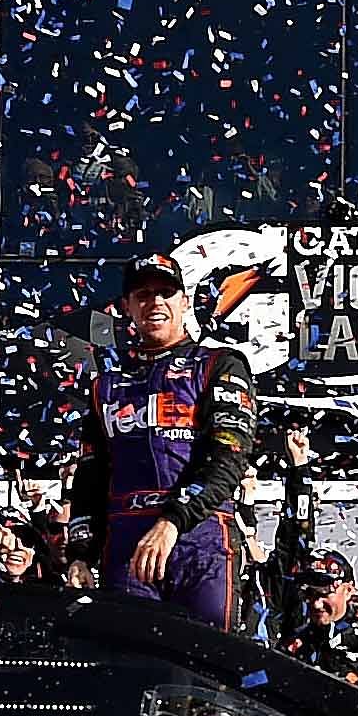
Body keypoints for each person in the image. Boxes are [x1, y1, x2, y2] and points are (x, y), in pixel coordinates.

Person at [68, 254, 260, 627]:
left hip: (201, 538)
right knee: (132, 665)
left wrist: (173, 521)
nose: (155, 303)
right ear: (127, 307)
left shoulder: (219, 365)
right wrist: (80, 553)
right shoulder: (105, 386)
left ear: (184, 302)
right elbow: (89, 477)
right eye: (143, 294)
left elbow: (229, 457)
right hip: (126, 545)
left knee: (208, 665)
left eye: (165, 293)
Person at [282, 551, 358, 705]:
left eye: (326, 593)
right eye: (310, 593)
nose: (316, 604)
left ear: (348, 590)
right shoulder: (296, 641)